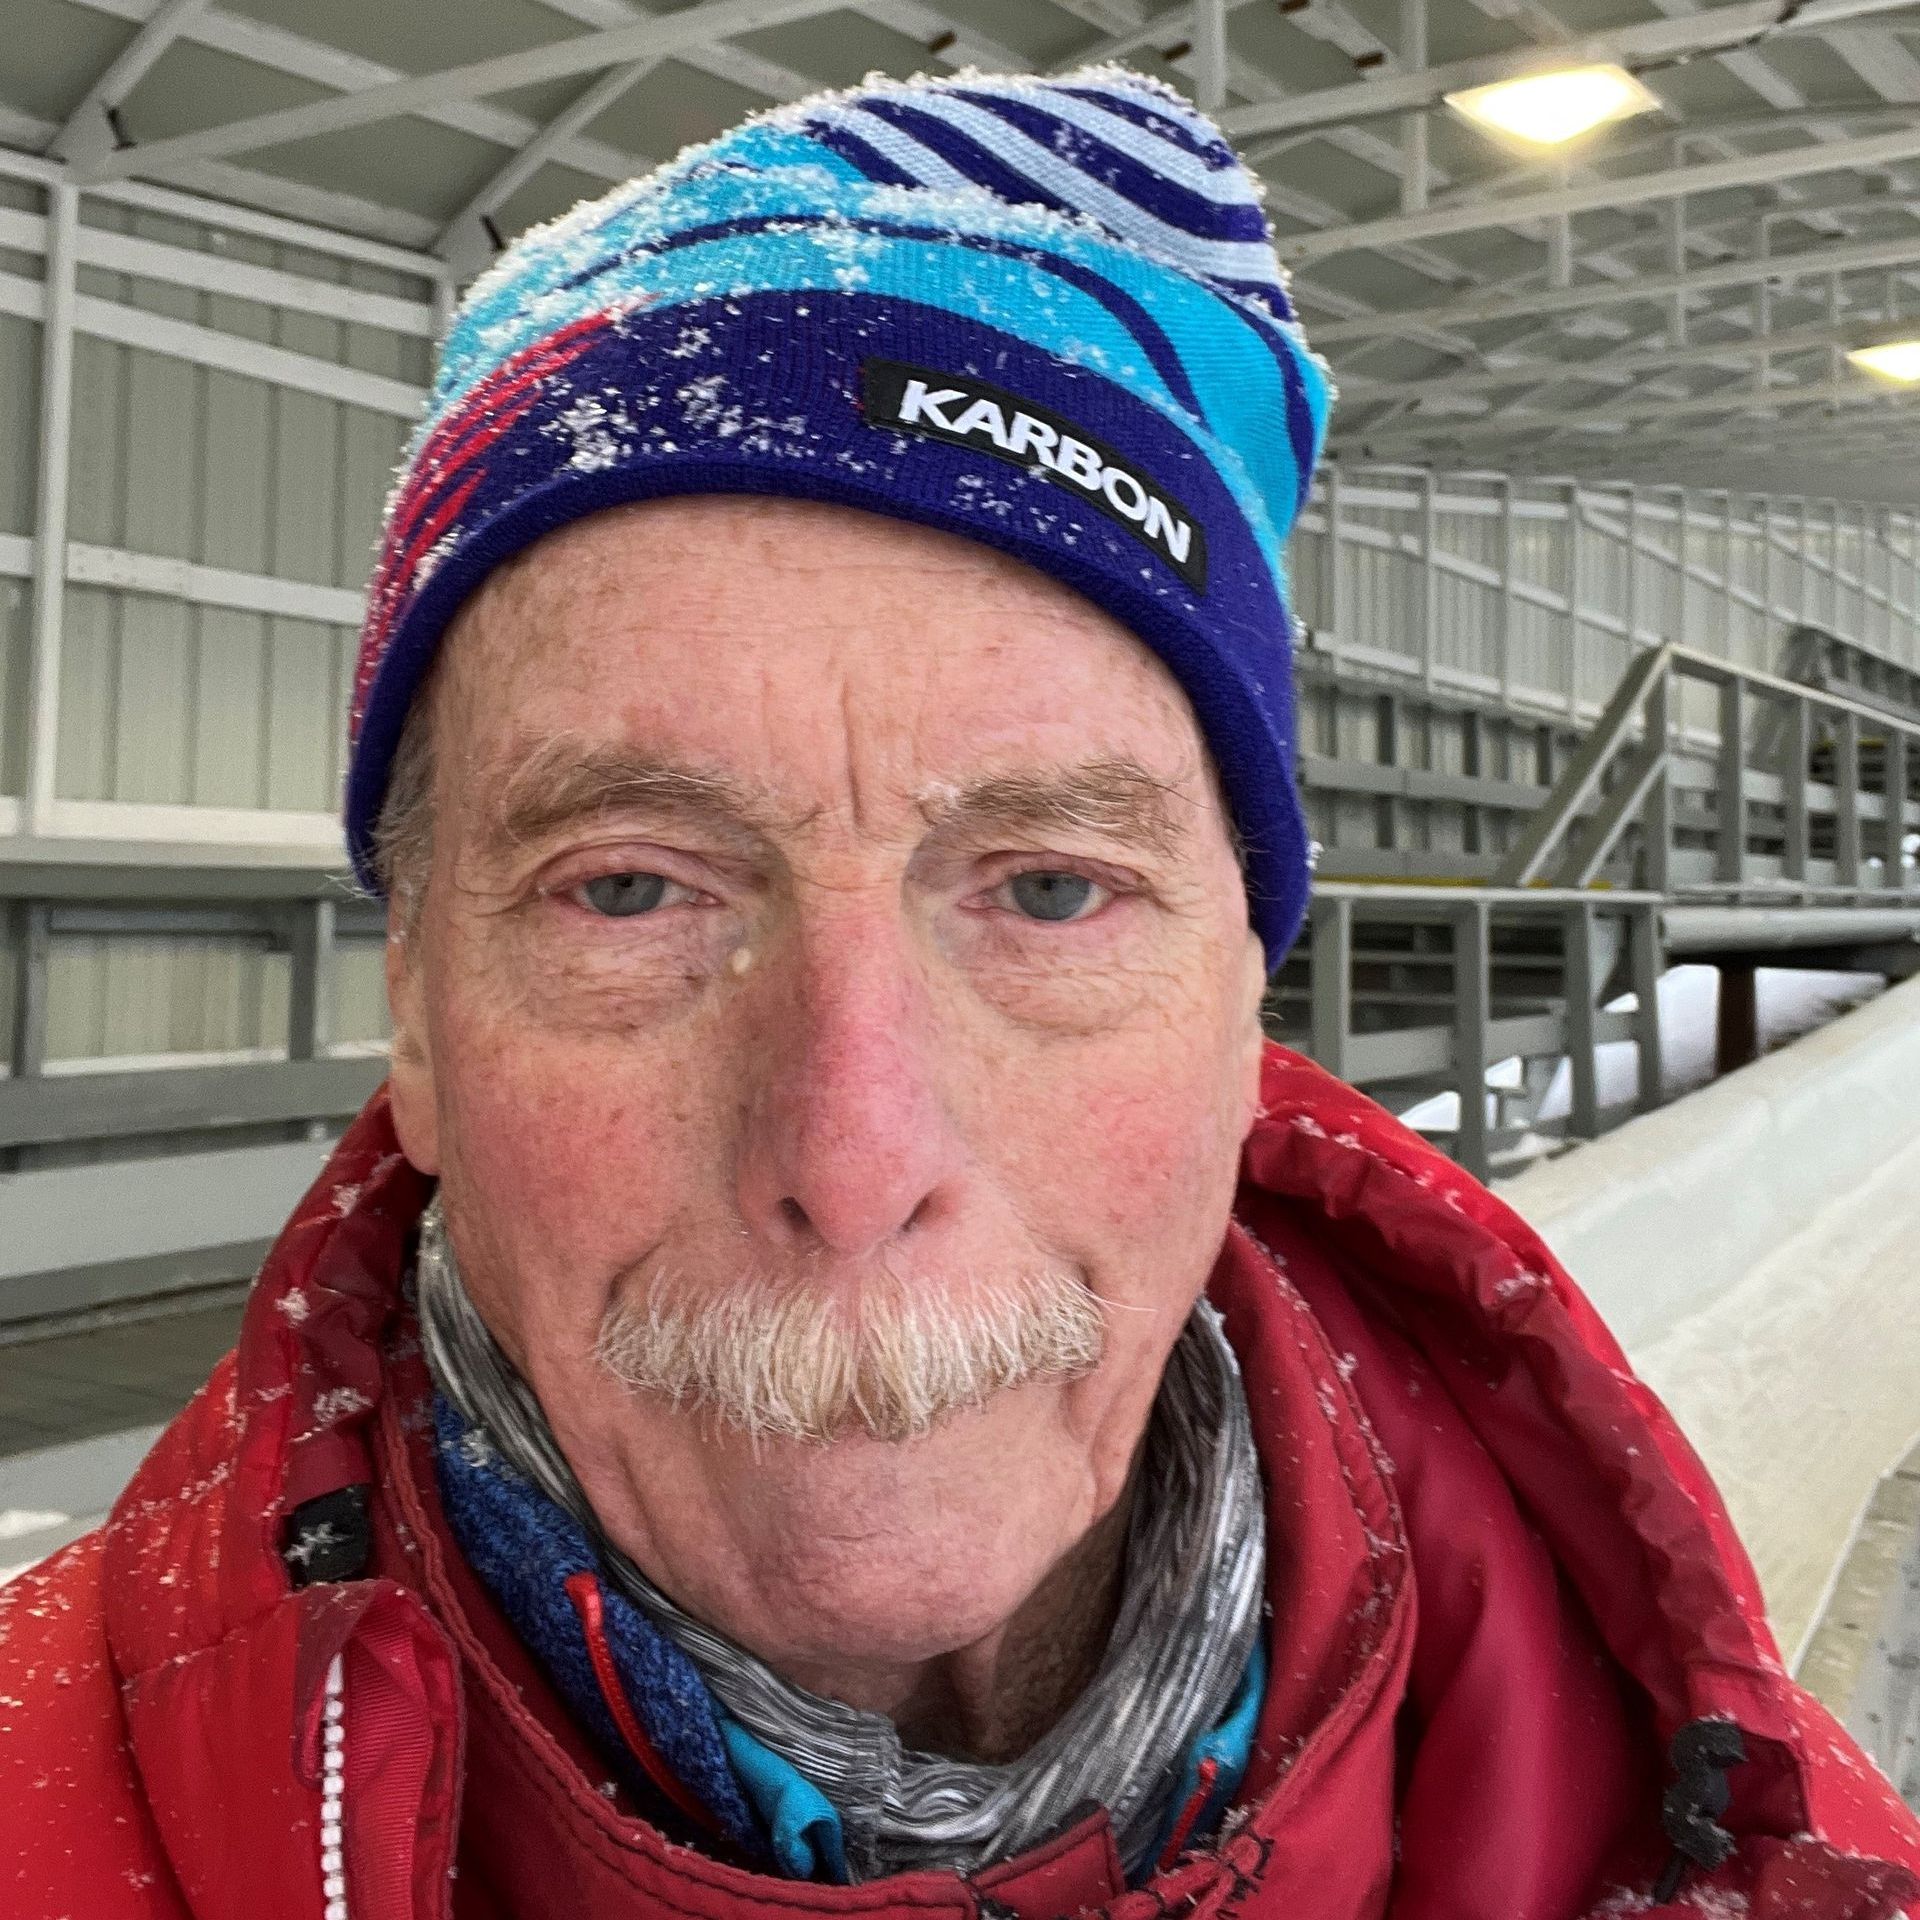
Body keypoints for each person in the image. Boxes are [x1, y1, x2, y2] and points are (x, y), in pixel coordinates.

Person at [4, 65, 1916, 1920]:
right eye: (631, 889)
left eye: (1055, 888)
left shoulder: (1760, 1855)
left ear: (1243, 986)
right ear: (415, 1011)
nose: (852, 1154)